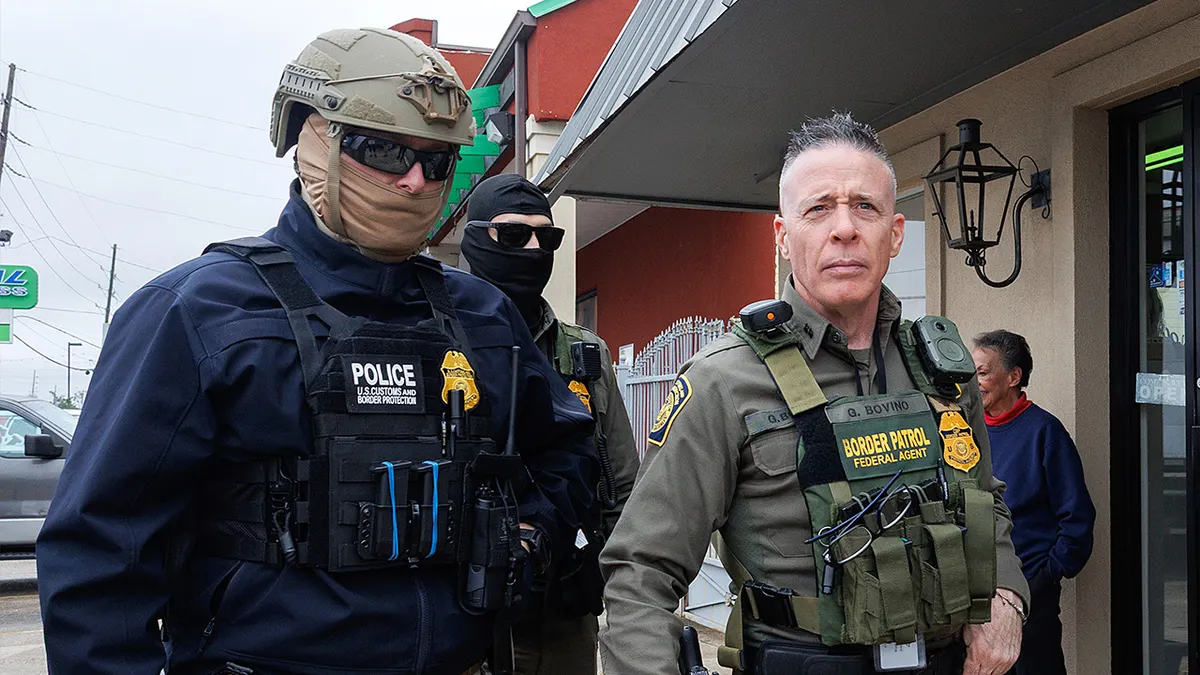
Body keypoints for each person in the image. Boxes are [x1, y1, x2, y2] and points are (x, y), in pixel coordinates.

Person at [36, 28, 596, 675]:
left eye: (437, 161)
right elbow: (100, 551)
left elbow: (567, 448)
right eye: (383, 150)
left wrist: (531, 534)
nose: (414, 181)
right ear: (312, 139)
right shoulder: (198, 312)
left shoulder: (483, 315)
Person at [598, 113, 1029, 675]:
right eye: (819, 208)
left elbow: (985, 498)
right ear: (783, 236)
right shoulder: (723, 381)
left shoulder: (942, 371)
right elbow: (641, 573)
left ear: (895, 233)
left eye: (865, 207)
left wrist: (1005, 595)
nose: (844, 228)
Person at [459, 173, 640, 675]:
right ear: (475, 239)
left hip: (565, 611)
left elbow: (623, 488)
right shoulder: (437, 340)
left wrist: (623, 598)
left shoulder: (583, 353)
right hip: (464, 614)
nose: (534, 249)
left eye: (547, 236)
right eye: (514, 234)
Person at [971, 330, 1095, 675]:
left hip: (1030, 596)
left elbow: (1077, 517)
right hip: (973, 596)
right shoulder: (964, 430)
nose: (973, 382)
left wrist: (1045, 576)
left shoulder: (1045, 432)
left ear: (1013, 377)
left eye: (982, 373)